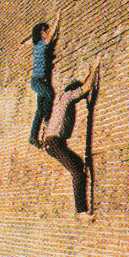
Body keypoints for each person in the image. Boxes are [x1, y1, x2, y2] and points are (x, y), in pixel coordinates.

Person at [43, 57, 100, 219]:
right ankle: (81, 211)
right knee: (77, 172)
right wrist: (94, 68)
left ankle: (80, 209)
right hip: (54, 143)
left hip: (54, 143)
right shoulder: (67, 96)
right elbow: (87, 88)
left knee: (79, 166)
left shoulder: (61, 102)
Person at [28, 13, 60, 148]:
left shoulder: (39, 46)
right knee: (50, 94)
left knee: (39, 109)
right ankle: (47, 120)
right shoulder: (40, 45)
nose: (47, 32)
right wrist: (57, 20)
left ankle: (33, 137)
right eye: (45, 30)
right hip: (37, 82)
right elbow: (51, 36)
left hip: (40, 82)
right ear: (41, 33)